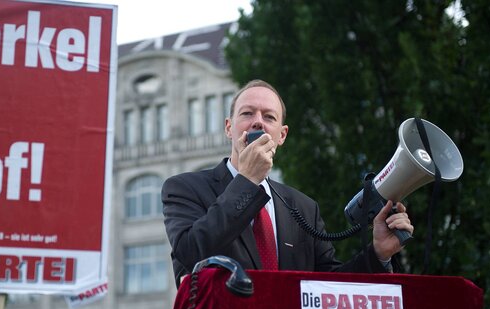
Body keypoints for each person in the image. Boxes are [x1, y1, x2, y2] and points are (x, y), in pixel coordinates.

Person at [161, 79, 414, 286]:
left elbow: (330, 286)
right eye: (247, 113)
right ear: (229, 128)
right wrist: (248, 180)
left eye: (269, 117)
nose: (258, 121)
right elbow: (191, 252)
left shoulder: (303, 208)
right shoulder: (185, 188)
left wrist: (379, 253)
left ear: (281, 135)